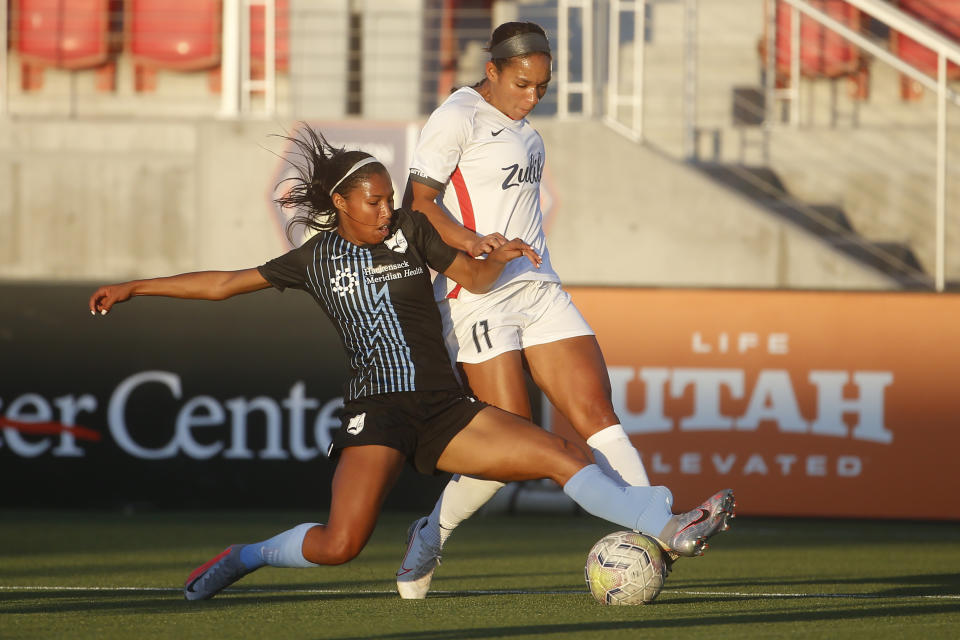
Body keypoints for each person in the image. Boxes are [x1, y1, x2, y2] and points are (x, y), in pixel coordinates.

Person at [88, 128, 735, 602]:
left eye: (386, 197)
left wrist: (501, 255)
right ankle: (246, 556)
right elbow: (225, 283)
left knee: (560, 454)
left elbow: (475, 278)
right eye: (369, 200)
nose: (383, 209)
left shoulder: (411, 231)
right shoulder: (313, 260)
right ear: (340, 203)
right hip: (378, 415)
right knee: (342, 545)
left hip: (444, 410)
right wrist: (135, 288)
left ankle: (667, 526)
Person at [399, 21, 699, 598]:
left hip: (538, 284)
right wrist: (469, 240)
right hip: (477, 295)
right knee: (510, 446)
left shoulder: (524, 128)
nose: (532, 96)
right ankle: (430, 532)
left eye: (542, 86)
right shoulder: (458, 116)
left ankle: (659, 533)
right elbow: (420, 203)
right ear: (493, 71)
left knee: (595, 410)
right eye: (522, 83)